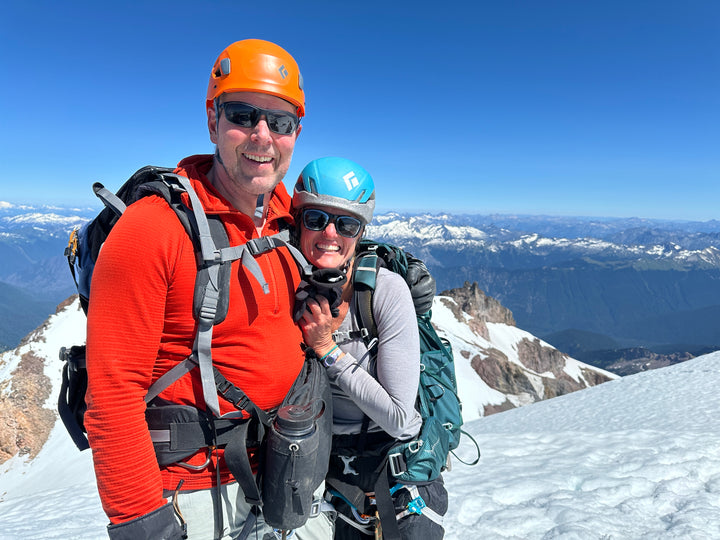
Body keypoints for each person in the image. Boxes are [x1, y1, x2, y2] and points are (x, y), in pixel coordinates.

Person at [84, 39, 326, 540]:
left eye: (280, 122)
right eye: (243, 114)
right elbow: (111, 393)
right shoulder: (153, 229)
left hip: (284, 480)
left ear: (296, 134)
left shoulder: (288, 222)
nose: (263, 136)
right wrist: (143, 525)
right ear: (212, 121)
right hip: (196, 494)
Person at [292, 157, 448, 539]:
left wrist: (329, 350)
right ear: (297, 221)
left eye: (346, 224)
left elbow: (398, 416)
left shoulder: (384, 291)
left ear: (360, 233)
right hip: (322, 471)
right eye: (316, 219)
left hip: (389, 473)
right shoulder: (281, 283)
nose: (330, 233)